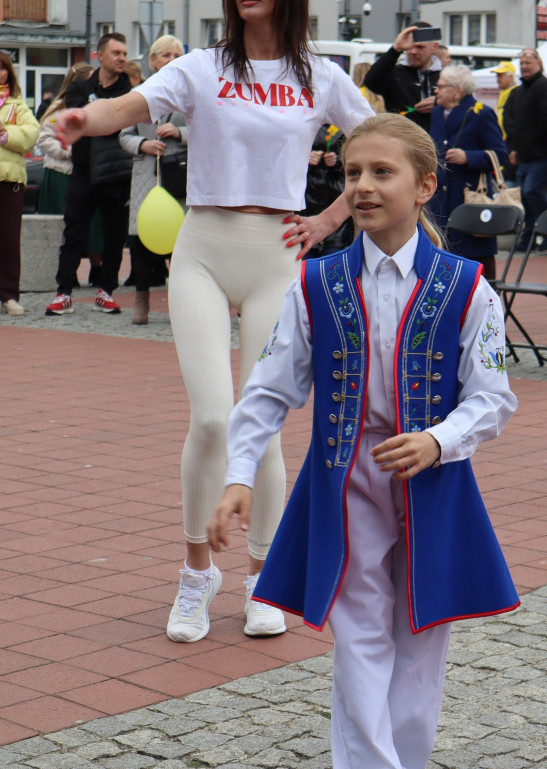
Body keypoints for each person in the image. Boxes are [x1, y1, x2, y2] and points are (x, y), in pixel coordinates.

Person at [55, 0, 376, 643]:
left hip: (277, 256)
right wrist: (84, 116)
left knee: (263, 423)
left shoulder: (320, 73)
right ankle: (197, 574)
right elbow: (127, 107)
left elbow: (385, 143)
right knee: (210, 417)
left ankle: (264, 578)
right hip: (201, 248)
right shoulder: (200, 67)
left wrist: (331, 219)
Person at [207, 112, 519, 769]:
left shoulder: (467, 287)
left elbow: (493, 397)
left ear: (427, 185)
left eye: (383, 172)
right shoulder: (315, 284)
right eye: (352, 173)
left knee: (420, 640)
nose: (364, 186)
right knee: (361, 641)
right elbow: (268, 390)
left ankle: (404, 754)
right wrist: (238, 474)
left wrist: (439, 439)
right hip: (344, 486)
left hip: (432, 484)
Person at [45, 32, 133, 317]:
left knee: (114, 237)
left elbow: (117, 122)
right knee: (74, 233)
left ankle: (106, 292)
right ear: (100, 55)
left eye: (124, 53)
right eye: (116, 53)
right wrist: (104, 118)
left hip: (116, 174)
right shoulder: (79, 87)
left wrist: (103, 119)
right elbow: (84, 119)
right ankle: (64, 293)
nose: (122, 58)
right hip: (83, 172)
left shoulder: (128, 90)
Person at [118, 35, 187, 325]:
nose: (171, 60)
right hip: (146, 177)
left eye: (176, 55)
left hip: (179, 178)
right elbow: (123, 135)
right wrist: (141, 145)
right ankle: (141, 300)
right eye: (165, 55)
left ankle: (182, 303)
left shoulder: (190, 96)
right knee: (141, 242)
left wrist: (181, 133)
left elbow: (210, 133)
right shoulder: (139, 94)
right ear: (152, 61)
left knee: (181, 244)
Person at [427, 64, 507, 278]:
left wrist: (468, 157)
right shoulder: (437, 112)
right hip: (440, 202)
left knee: (475, 264)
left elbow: (500, 155)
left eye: (441, 86)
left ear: (458, 90)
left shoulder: (481, 113)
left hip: (470, 200)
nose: (436, 91)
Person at [0, 51, 40, 317]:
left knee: (9, 240)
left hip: (10, 180)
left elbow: (31, 134)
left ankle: (9, 295)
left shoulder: (17, 103)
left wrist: (5, 135)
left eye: (1, 69)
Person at [507, 48, 547, 252]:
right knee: (526, 197)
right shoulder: (518, 92)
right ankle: (527, 238)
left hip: (543, 153)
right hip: (524, 154)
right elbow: (509, 120)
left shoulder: (545, 86)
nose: (524, 67)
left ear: (539, 64)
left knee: (532, 191)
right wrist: (515, 147)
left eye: (528, 63)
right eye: (522, 63)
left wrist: (526, 143)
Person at [362, 22, 441, 131]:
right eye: (409, 47)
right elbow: (371, 82)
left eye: (420, 47)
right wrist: (396, 49)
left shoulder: (445, 76)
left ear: (434, 47)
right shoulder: (395, 73)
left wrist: (440, 103)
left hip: (438, 141)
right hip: (402, 139)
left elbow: (462, 108)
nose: (413, 52)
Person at [299, 124, 347, 258]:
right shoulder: (304, 124)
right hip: (308, 193)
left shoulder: (345, 125)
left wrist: (338, 160)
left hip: (335, 191)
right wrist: (304, 157)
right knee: (305, 256)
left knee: (334, 255)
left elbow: (360, 157)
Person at [491, 61, 517, 140]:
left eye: (500, 76)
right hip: (500, 139)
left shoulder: (515, 93)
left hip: (509, 141)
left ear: (511, 77)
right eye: (497, 76)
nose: (498, 79)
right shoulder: (503, 92)